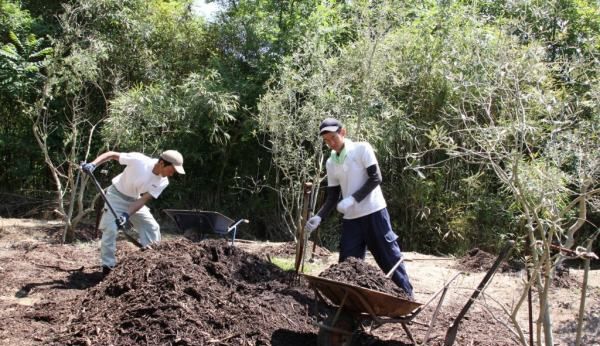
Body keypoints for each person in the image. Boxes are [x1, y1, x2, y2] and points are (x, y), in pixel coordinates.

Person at [305, 118, 414, 299]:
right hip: (351, 220)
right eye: (327, 141)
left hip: (374, 212)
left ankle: (406, 297)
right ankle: (349, 307)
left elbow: (376, 178)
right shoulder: (331, 163)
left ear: (343, 132)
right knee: (348, 266)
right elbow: (332, 196)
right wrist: (319, 217)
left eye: (333, 137)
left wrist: (353, 199)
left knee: (389, 257)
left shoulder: (362, 149)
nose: (331, 143)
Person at [81, 150, 185, 275]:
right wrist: (93, 164)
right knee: (111, 228)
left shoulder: (163, 182)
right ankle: (107, 268)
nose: (172, 174)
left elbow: (142, 200)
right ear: (162, 163)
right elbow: (111, 154)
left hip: (135, 200)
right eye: (172, 170)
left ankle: (152, 262)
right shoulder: (139, 160)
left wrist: (126, 215)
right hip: (116, 196)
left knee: (152, 227)